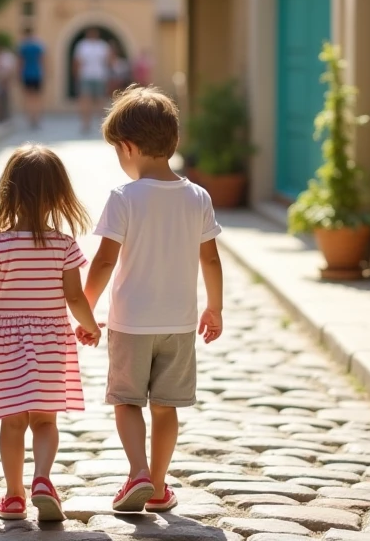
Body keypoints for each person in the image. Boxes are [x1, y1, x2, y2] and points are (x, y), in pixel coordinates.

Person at [0, 145, 101, 522]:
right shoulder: (64, 245)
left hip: (10, 342)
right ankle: (42, 479)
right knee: (45, 420)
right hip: (51, 340)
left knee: (13, 421)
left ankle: (13, 495)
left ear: (9, 193)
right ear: (59, 195)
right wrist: (90, 328)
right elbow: (74, 296)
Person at [81, 86, 224, 514]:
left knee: (127, 402)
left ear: (127, 147)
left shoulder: (124, 198)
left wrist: (85, 310)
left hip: (130, 323)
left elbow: (104, 263)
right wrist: (214, 307)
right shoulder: (197, 196)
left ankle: (137, 472)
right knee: (167, 408)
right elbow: (211, 258)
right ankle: (159, 486)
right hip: (179, 325)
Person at [73, 28, 112, 133]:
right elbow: (77, 62)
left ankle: (102, 124)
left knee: (100, 100)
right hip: (86, 76)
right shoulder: (82, 45)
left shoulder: (102, 45)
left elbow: (108, 60)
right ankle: (86, 124)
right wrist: (76, 76)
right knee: (85, 100)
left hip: (100, 76)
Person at [17, 29, 45, 129]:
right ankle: (36, 118)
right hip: (37, 74)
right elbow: (42, 60)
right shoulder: (38, 46)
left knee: (28, 97)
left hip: (26, 74)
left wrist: (19, 74)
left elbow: (20, 62)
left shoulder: (23, 47)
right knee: (37, 98)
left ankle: (30, 118)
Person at [0, 41, 18, 121]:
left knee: (4, 97)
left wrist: (6, 79)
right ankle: (2, 114)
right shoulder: (3, 56)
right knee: (2, 97)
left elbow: (9, 69)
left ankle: (4, 114)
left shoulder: (6, 57)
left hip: (5, 79)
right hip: (2, 80)